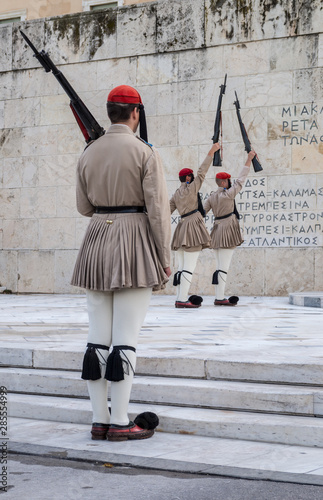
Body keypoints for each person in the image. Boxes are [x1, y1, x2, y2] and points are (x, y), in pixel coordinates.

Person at [71, 85, 171, 441]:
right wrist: (164, 256)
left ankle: (99, 420)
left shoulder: (88, 152)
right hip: (133, 240)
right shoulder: (145, 152)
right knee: (125, 339)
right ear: (135, 114)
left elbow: (84, 208)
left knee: (97, 339)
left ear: (110, 111)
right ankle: (121, 421)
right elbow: (158, 211)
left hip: (97, 240)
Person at [170, 143, 221, 308]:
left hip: (181, 229)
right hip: (192, 227)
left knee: (181, 266)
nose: (193, 177)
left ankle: (179, 297)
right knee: (188, 267)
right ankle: (182, 300)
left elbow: (165, 212)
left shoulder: (176, 194)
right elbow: (202, 172)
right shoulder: (191, 188)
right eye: (190, 176)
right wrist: (211, 153)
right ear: (187, 178)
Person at [203, 150, 256, 306]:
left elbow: (201, 212)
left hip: (216, 231)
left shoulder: (212, 196)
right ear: (225, 182)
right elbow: (241, 180)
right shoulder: (228, 194)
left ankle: (220, 295)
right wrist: (249, 159)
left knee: (220, 265)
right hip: (227, 231)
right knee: (223, 267)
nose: (231, 183)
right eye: (229, 181)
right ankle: (220, 298)